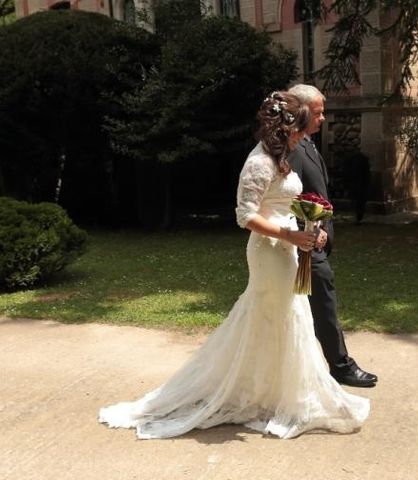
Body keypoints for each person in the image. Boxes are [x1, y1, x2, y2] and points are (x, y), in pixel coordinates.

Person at [98, 91, 369, 439]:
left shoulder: (283, 158)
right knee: (280, 315)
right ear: (283, 128)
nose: (303, 136)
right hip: (268, 252)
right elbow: (246, 216)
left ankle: (278, 391)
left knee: (287, 316)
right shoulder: (257, 163)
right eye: (299, 130)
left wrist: (309, 231)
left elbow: (285, 203)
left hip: (287, 248)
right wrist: (290, 237)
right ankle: (277, 395)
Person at [287, 84, 378, 388]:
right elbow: (285, 198)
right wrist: (309, 235)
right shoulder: (293, 149)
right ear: (299, 112)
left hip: (317, 241)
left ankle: (301, 364)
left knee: (305, 309)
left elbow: (312, 194)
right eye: (317, 112)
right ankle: (341, 366)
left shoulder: (308, 143)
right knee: (323, 304)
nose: (323, 117)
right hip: (306, 249)